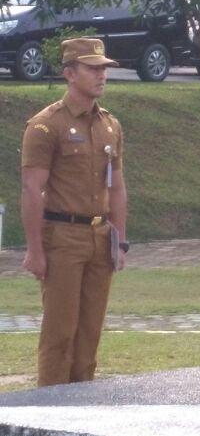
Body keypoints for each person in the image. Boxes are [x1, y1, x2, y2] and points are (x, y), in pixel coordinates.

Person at [20, 37, 128, 387]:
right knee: (60, 333)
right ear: (69, 73)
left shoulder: (110, 125)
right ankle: (51, 406)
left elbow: (117, 187)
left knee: (89, 333)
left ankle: (82, 404)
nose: (101, 75)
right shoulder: (45, 125)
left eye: (104, 69)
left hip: (100, 236)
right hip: (62, 237)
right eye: (92, 69)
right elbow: (32, 190)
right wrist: (35, 250)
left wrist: (120, 241)